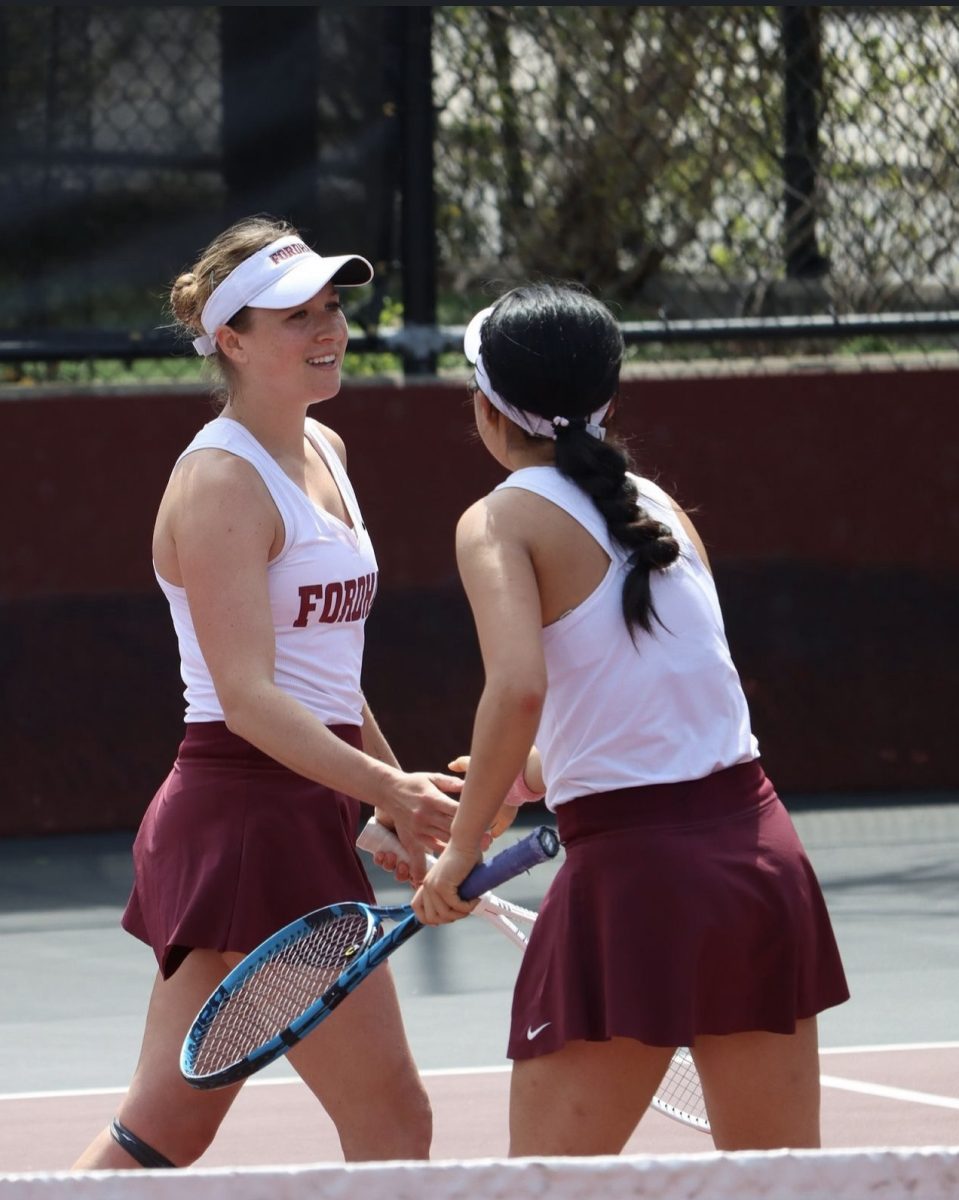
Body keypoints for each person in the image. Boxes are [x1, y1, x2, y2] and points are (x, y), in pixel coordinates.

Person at [411, 282, 849, 1156]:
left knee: (546, 1184)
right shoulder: (655, 505)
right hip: (757, 859)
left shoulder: (495, 519)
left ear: (485, 408)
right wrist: (529, 781)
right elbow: (663, 684)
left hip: (637, 879)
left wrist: (460, 853)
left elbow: (517, 689)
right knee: (783, 1183)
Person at [72, 216, 461, 1170]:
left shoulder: (326, 451)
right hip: (243, 814)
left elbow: (327, 676)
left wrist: (384, 797)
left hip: (288, 807)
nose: (328, 327)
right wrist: (388, 791)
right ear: (232, 341)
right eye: (297, 315)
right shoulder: (218, 483)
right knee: (394, 1123)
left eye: (331, 306)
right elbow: (245, 698)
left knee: (163, 1130)